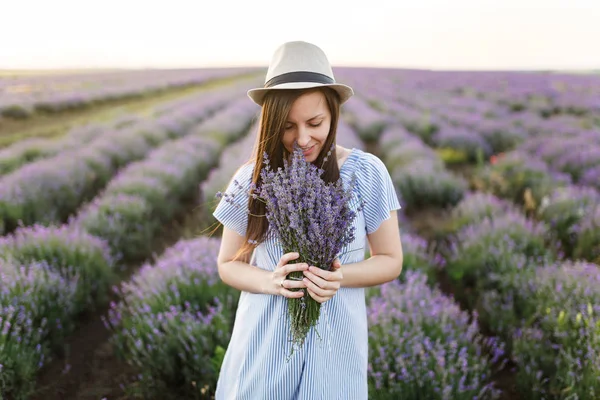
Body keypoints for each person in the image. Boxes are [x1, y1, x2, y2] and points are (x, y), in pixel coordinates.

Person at [212, 40, 403, 400]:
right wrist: (272, 281)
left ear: (333, 114)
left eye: (315, 122)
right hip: (265, 343)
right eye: (287, 127)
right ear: (270, 124)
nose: (303, 139)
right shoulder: (253, 179)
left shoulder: (366, 173)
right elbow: (227, 265)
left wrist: (337, 277)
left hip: (336, 346)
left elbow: (391, 260)